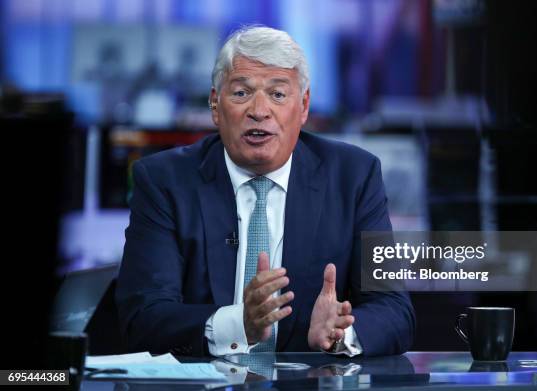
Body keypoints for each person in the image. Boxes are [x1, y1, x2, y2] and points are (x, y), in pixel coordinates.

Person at [116, 26, 415, 357]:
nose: (259, 110)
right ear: (216, 105)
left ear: (303, 107)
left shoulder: (353, 177)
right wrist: (236, 324)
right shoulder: (164, 181)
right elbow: (142, 318)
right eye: (242, 93)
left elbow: (393, 309)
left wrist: (342, 335)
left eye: (277, 94)